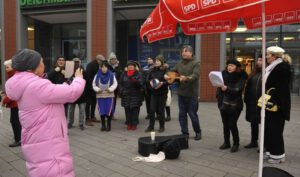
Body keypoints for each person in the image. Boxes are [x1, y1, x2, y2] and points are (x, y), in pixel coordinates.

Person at [5, 49, 85, 176]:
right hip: (49, 144)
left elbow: (51, 92)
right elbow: (72, 93)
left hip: (37, 140)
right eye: (41, 62)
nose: (44, 65)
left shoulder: (23, 83)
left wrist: (65, 83)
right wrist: (79, 79)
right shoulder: (37, 85)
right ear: (33, 67)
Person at [165, 45, 201, 140]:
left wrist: (187, 78)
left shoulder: (196, 63)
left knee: (192, 114)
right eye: (182, 51)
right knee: (182, 114)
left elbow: (196, 75)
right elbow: (172, 72)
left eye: (186, 51)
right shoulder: (179, 63)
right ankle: (185, 133)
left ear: (191, 52)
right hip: (181, 94)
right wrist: (167, 75)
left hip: (192, 94)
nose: (184, 53)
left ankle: (198, 132)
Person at [263, 46, 291, 164]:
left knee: (275, 130)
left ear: (274, 56)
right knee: (269, 129)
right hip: (270, 103)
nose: (266, 57)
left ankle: (278, 155)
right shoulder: (273, 67)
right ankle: (270, 151)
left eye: (268, 54)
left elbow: (282, 88)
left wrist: (273, 100)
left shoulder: (282, 68)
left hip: (277, 105)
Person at [216, 59, 247, 153]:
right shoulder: (223, 74)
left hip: (235, 104)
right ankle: (226, 142)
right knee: (225, 124)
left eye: (232, 66)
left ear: (236, 68)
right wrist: (218, 95)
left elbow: (237, 90)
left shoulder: (241, 76)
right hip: (223, 103)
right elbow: (219, 88)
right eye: (229, 65)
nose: (230, 67)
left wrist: (226, 88)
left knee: (232, 124)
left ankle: (236, 143)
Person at [145, 54, 168, 133]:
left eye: (158, 61)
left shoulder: (165, 70)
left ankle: (162, 126)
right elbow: (147, 79)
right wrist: (150, 83)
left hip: (162, 93)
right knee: (152, 110)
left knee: (160, 111)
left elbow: (169, 81)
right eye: (156, 61)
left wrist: (162, 83)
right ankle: (151, 126)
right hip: (153, 93)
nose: (156, 62)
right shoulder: (152, 70)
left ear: (162, 62)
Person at [119, 60, 144, 130]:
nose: (130, 67)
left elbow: (141, 84)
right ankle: (129, 123)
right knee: (127, 110)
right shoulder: (124, 74)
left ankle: (134, 124)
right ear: (127, 67)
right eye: (129, 65)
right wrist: (121, 91)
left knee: (135, 110)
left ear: (134, 67)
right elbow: (120, 83)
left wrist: (136, 81)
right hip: (126, 94)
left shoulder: (139, 74)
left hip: (136, 95)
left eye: (132, 65)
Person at [93, 61, 118, 131]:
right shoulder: (97, 75)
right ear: (100, 68)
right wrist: (98, 89)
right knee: (102, 110)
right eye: (102, 67)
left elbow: (115, 84)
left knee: (108, 110)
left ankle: (109, 125)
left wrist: (110, 89)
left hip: (109, 95)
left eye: (105, 67)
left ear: (107, 68)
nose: (104, 69)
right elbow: (94, 84)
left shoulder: (111, 75)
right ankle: (103, 125)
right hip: (100, 95)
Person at [244, 55, 262, 149]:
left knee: (264, 124)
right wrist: (246, 99)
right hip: (251, 102)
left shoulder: (267, 73)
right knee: (253, 123)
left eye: (261, 60)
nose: (259, 62)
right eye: (258, 60)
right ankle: (254, 141)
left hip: (262, 103)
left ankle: (264, 145)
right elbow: (248, 87)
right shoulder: (253, 73)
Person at [2, 59, 21, 147]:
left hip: (16, 103)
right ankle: (19, 137)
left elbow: (14, 92)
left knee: (14, 121)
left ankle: (18, 139)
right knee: (15, 120)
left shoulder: (14, 76)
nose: (6, 69)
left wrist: (5, 100)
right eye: (5, 67)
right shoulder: (12, 75)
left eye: (7, 67)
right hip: (16, 103)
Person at [85, 54, 105, 126]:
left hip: (96, 87)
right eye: (102, 61)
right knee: (88, 103)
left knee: (94, 102)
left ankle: (92, 116)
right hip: (90, 88)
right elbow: (88, 77)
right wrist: (91, 87)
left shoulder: (99, 65)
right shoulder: (91, 65)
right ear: (98, 60)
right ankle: (87, 119)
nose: (103, 62)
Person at [67, 58, 87, 131]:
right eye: (75, 62)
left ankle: (81, 123)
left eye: (77, 62)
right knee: (71, 110)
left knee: (82, 110)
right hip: (72, 93)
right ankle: (70, 122)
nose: (76, 64)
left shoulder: (83, 71)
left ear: (80, 63)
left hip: (82, 94)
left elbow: (86, 81)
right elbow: (67, 81)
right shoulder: (69, 70)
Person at [108, 52, 122, 119]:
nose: (113, 60)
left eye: (114, 59)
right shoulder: (107, 66)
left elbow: (120, 76)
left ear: (116, 60)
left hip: (116, 87)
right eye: (112, 59)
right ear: (109, 60)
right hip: (108, 87)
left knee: (114, 101)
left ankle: (112, 114)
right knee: (108, 100)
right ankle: (108, 114)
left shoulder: (118, 67)